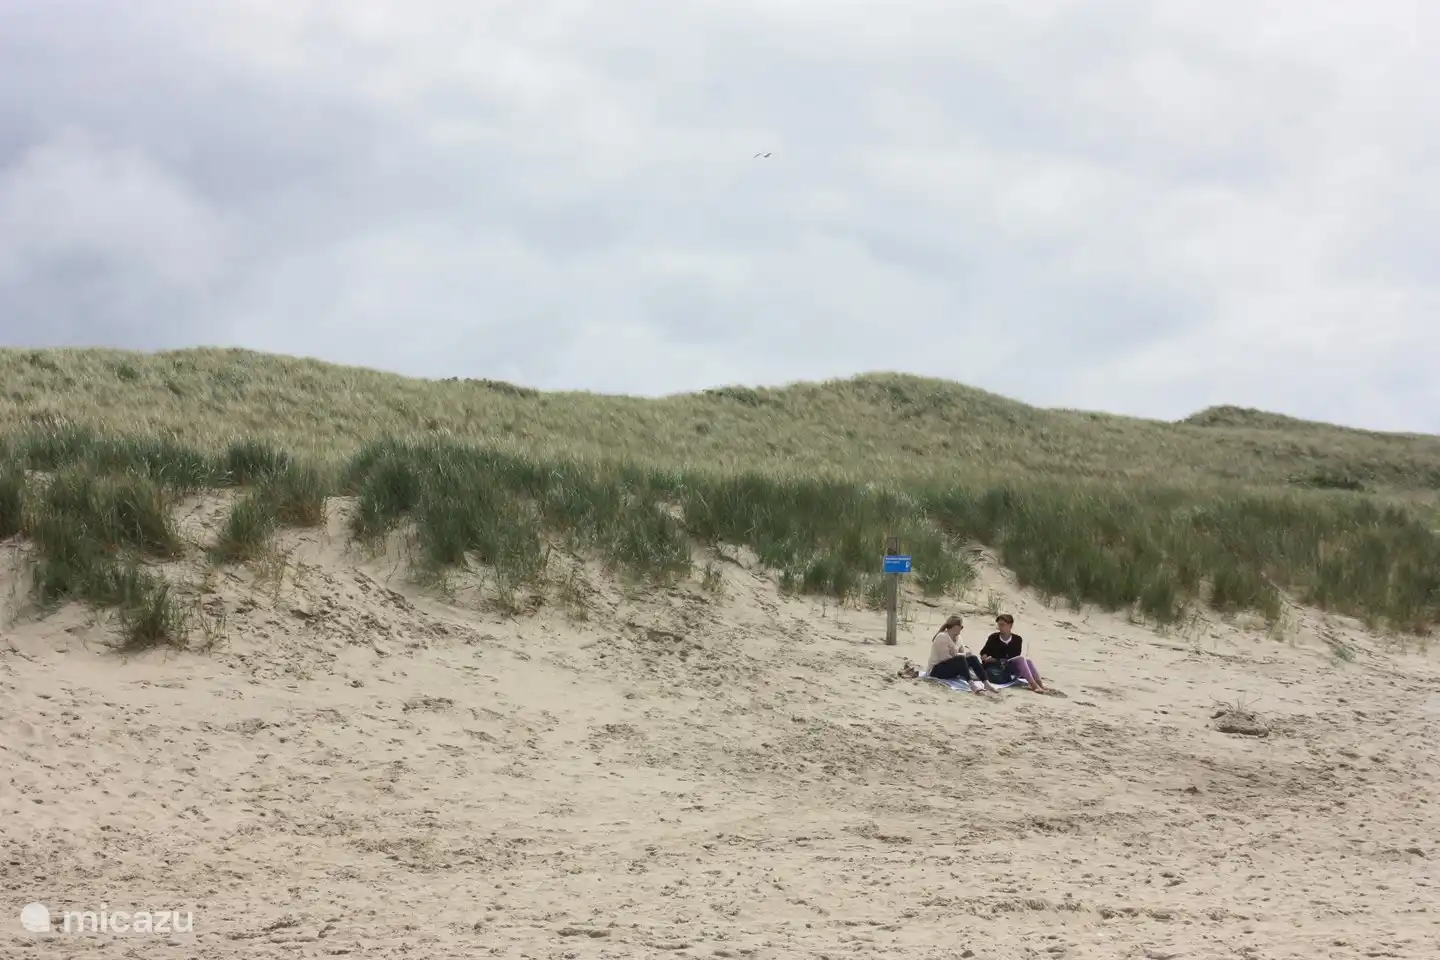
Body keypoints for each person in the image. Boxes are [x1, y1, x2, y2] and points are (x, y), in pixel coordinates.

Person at [926, 615, 1000, 695]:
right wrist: (960, 655)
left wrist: (960, 655)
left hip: (950, 667)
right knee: (960, 658)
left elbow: (961, 653)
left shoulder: (959, 638)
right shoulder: (942, 637)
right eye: (961, 627)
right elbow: (945, 657)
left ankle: (986, 683)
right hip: (936, 670)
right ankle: (972, 685)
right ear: (955, 627)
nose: (961, 629)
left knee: (972, 658)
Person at [981, 614, 1047, 693]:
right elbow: (984, 652)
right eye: (999, 625)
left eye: (1002, 625)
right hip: (997, 667)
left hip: (1009, 665)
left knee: (1027, 660)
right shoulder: (993, 637)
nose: (1000, 627)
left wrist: (997, 660)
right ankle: (1034, 685)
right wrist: (985, 658)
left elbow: (1014, 656)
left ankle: (1040, 684)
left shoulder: (1017, 639)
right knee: (1021, 659)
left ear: (1010, 625)